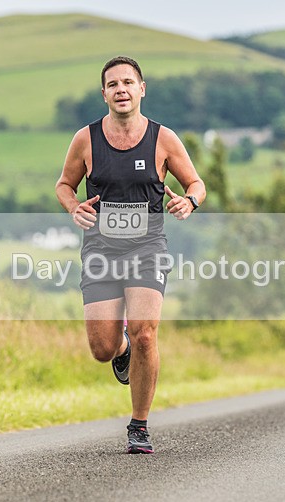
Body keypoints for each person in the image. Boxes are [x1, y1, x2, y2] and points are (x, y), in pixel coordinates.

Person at [55, 56, 206, 454]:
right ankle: (121, 349)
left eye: (128, 82)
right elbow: (64, 185)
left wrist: (189, 201)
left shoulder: (163, 139)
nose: (121, 89)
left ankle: (139, 425)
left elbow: (196, 182)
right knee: (102, 349)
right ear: (104, 94)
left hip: (147, 249)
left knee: (145, 334)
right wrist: (73, 207)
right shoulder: (86, 139)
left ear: (142, 89)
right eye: (113, 84)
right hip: (101, 252)